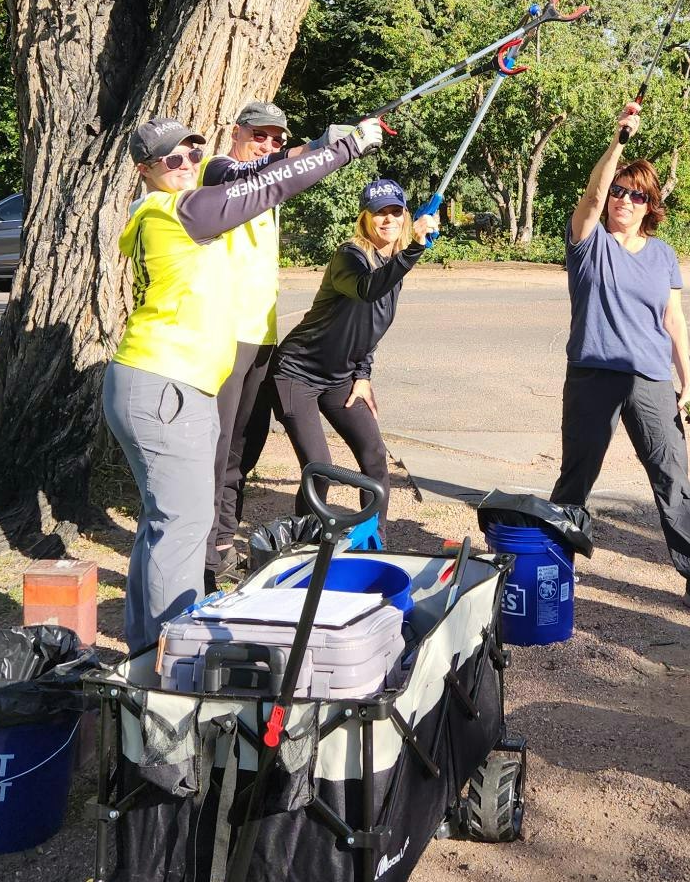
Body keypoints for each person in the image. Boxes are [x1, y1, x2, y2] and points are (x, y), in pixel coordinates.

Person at [103, 114, 380, 654]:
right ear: (145, 171)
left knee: (166, 523)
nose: (185, 164)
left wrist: (319, 145)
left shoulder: (178, 206)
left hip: (165, 383)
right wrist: (345, 152)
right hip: (164, 383)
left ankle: (146, 648)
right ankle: (173, 655)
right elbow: (267, 186)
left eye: (192, 153)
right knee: (183, 525)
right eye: (171, 159)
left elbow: (263, 172)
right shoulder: (179, 210)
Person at [551, 101, 690, 620]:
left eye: (637, 195)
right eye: (620, 191)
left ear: (650, 204)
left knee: (672, 477)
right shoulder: (587, 242)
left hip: (651, 377)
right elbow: (591, 194)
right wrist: (618, 141)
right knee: (576, 477)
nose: (624, 201)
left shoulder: (663, 254)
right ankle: (552, 564)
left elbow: (674, 321)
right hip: (592, 373)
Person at [268, 178, 440, 530]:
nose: (388, 219)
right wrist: (414, 249)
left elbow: (369, 329)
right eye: (379, 213)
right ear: (365, 218)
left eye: (396, 211)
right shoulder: (350, 256)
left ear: (406, 216)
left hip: (340, 378)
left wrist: (363, 375)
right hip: (296, 374)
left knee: (375, 455)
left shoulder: (392, 265)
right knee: (320, 467)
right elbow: (366, 289)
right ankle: (305, 542)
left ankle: (371, 541)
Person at [203, 100, 296, 579]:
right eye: (261, 134)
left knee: (246, 441)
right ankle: (205, 554)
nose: (270, 144)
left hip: (263, 334)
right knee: (218, 444)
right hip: (228, 332)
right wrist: (324, 147)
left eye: (278, 138)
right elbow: (261, 170)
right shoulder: (219, 170)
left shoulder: (268, 194)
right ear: (237, 131)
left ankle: (223, 535)